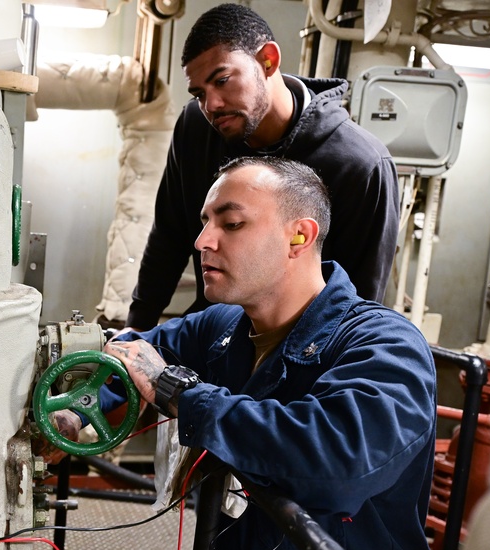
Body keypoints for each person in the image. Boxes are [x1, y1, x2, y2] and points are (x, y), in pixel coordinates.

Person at [105, 157, 436, 550]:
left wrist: (181, 395)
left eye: (233, 223)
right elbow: (133, 353)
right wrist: (73, 410)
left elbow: (339, 460)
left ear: (299, 236)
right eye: (205, 222)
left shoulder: (386, 346)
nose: (203, 241)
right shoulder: (226, 325)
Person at [125, 3, 400, 331]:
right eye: (199, 93)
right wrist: (137, 329)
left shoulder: (361, 165)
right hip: (212, 338)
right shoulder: (196, 127)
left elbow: (360, 301)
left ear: (268, 60)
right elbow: (168, 235)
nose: (211, 104)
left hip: (302, 357)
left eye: (223, 80)